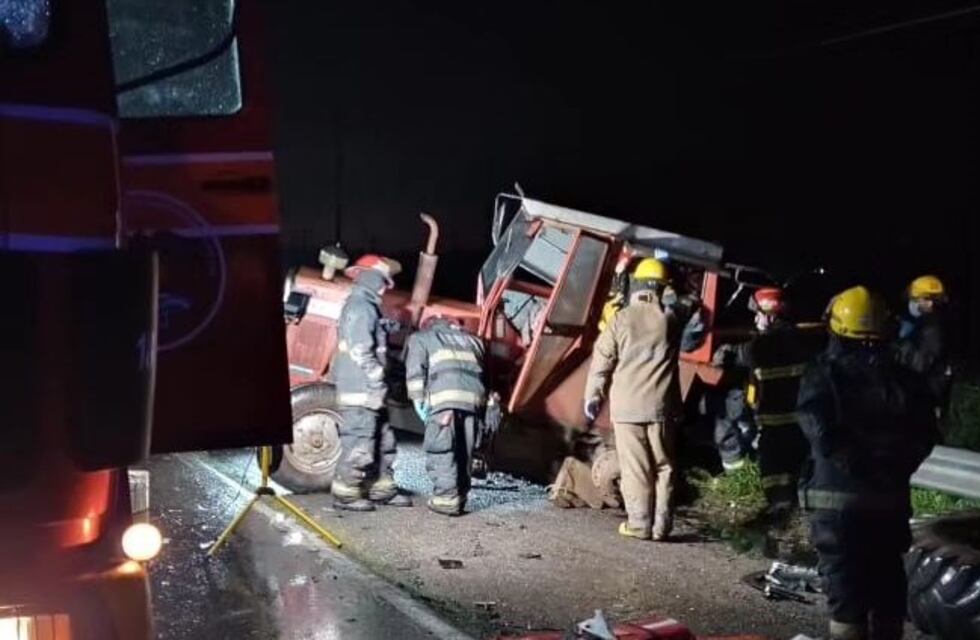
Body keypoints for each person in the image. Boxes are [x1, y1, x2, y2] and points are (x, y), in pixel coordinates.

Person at [797, 286, 938, 640]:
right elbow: (925, 434)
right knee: (888, 584)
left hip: (838, 504)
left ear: (836, 327)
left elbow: (817, 429)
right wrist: (894, 469)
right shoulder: (908, 380)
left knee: (846, 590)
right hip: (889, 502)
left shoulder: (824, 375)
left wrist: (854, 464)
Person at [583, 257, 699, 541]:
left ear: (634, 284)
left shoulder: (620, 320)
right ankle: (661, 527)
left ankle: (639, 524)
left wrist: (592, 397)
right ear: (661, 287)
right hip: (662, 407)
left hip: (627, 408)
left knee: (636, 468)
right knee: (664, 466)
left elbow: (601, 363)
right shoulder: (670, 319)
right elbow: (693, 305)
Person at [714, 287, 815, 512]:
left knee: (774, 476)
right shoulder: (800, 341)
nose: (755, 318)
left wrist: (724, 352)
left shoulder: (764, 346)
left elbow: (737, 354)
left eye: (758, 313)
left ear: (769, 315)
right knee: (795, 473)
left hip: (776, 425)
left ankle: (777, 517)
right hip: (799, 424)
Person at [330, 255, 412, 511]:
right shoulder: (360, 306)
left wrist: (383, 327)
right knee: (360, 441)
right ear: (371, 279)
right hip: (361, 389)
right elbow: (359, 349)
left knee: (384, 440)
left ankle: (381, 489)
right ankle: (346, 493)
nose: (385, 287)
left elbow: (365, 336)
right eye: (382, 281)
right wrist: (377, 376)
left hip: (369, 390)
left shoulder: (367, 307)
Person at [404, 315, 487, 516]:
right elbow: (484, 375)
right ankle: (459, 497)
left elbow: (415, 373)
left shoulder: (422, 338)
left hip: (444, 402)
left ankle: (446, 499)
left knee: (441, 448)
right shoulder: (475, 341)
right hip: (473, 402)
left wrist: (418, 400)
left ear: (429, 325)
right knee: (463, 452)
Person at [896, 275, 953, 420]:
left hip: (922, 397)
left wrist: (900, 346)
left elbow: (921, 364)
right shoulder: (916, 323)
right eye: (925, 299)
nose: (930, 304)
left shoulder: (933, 328)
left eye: (934, 300)